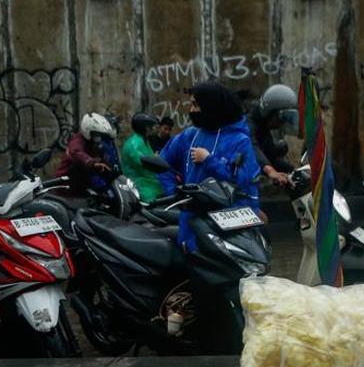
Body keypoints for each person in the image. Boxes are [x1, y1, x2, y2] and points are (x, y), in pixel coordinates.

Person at [157, 81, 262, 251]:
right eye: (191, 104)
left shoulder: (239, 141)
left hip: (229, 226)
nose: (192, 111)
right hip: (193, 223)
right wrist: (176, 194)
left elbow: (244, 181)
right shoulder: (190, 135)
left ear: (211, 106)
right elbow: (163, 163)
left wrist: (209, 160)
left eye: (196, 105)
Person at [247, 84, 299, 187]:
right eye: (281, 118)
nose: (282, 123)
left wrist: (295, 172)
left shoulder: (263, 129)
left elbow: (271, 156)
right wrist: (270, 171)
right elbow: (251, 147)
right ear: (269, 112)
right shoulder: (248, 126)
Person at [54, 113, 117, 195]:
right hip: (68, 185)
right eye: (97, 135)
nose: (99, 139)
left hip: (82, 183)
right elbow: (76, 153)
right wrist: (92, 163)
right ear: (88, 131)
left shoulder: (93, 144)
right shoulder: (78, 140)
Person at [120, 113, 164, 201]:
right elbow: (143, 162)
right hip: (139, 184)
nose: (153, 128)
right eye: (151, 126)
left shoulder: (143, 140)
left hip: (148, 181)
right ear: (146, 128)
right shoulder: (136, 143)